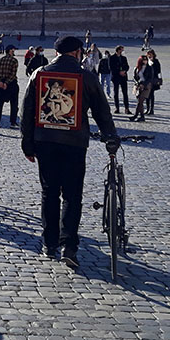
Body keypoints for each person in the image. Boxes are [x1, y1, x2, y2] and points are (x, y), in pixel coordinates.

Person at [20, 35, 119, 269]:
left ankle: (49, 243)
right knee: (73, 196)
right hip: (74, 142)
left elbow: (26, 111)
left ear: (56, 53)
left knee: (49, 192)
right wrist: (110, 137)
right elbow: (102, 112)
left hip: (45, 141)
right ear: (77, 52)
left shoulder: (39, 74)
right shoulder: (86, 76)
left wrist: (27, 143)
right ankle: (69, 246)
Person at [0, 44, 20, 128]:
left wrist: (0, 81)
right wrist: (7, 83)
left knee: (0, 104)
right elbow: (13, 74)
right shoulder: (14, 61)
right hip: (11, 84)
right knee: (14, 104)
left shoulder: (0, 60)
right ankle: (13, 122)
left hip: (1, 83)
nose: (14, 52)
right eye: (13, 50)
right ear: (10, 51)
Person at [130, 54, 155, 122]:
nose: (145, 61)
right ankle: (139, 116)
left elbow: (150, 78)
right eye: (143, 60)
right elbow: (134, 77)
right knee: (139, 101)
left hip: (146, 86)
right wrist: (138, 83)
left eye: (146, 60)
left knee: (140, 101)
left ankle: (140, 116)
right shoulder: (137, 68)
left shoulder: (149, 68)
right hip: (138, 86)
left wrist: (144, 84)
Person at [110, 45, 131, 114]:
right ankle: (117, 108)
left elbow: (127, 66)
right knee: (116, 93)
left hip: (123, 77)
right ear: (118, 50)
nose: (122, 51)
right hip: (116, 77)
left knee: (125, 93)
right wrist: (119, 72)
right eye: (121, 50)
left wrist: (124, 71)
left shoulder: (124, 58)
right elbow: (111, 67)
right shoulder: (112, 58)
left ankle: (127, 108)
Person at [145, 49, 162, 115]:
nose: (149, 55)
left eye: (150, 54)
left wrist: (152, 65)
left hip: (153, 80)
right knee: (146, 94)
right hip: (147, 79)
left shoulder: (156, 61)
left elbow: (158, 70)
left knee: (151, 94)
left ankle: (151, 109)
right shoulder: (146, 60)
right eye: (148, 54)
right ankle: (147, 108)